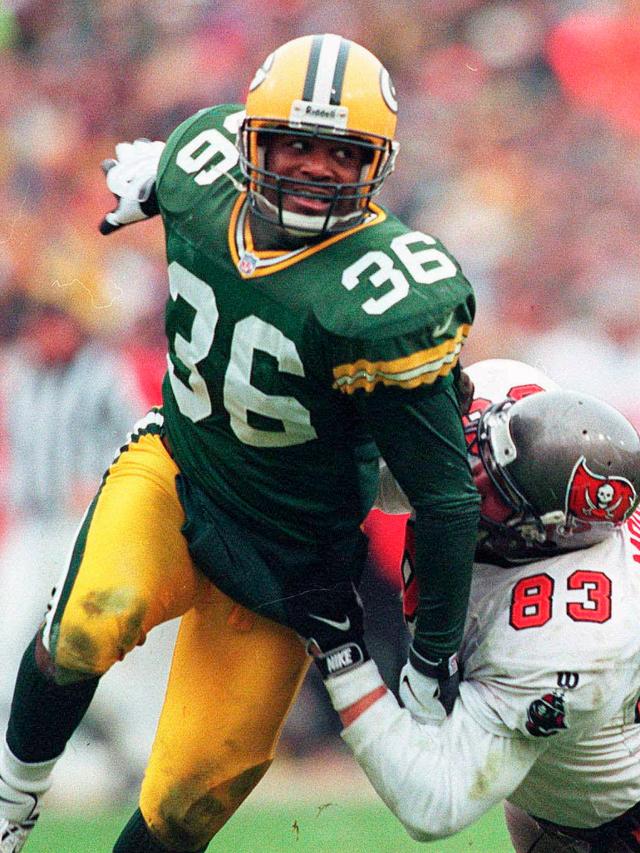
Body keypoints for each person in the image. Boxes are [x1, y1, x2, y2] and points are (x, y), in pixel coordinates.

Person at [0, 34, 479, 853]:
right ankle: (8, 811)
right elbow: (176, 168)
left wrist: (434, 652)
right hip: (181, 473)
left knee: (187, 798)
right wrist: (157, 185)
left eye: (342, 152)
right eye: (295, 142)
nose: (315, 167)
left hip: (291, 562)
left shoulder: (385, 295)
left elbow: (446, 496)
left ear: (379, 165)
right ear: (251, 141)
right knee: (86, 620)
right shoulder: (199, 169)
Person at [305, 360, 640, 852]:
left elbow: (434, 803)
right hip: (556, 777)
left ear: (543, 535)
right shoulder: (509, 397)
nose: (473, 475)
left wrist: (340, 650)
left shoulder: (573, 638)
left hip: (612, 814)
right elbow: (396, 481)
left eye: (495, 489)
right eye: (483, 448)